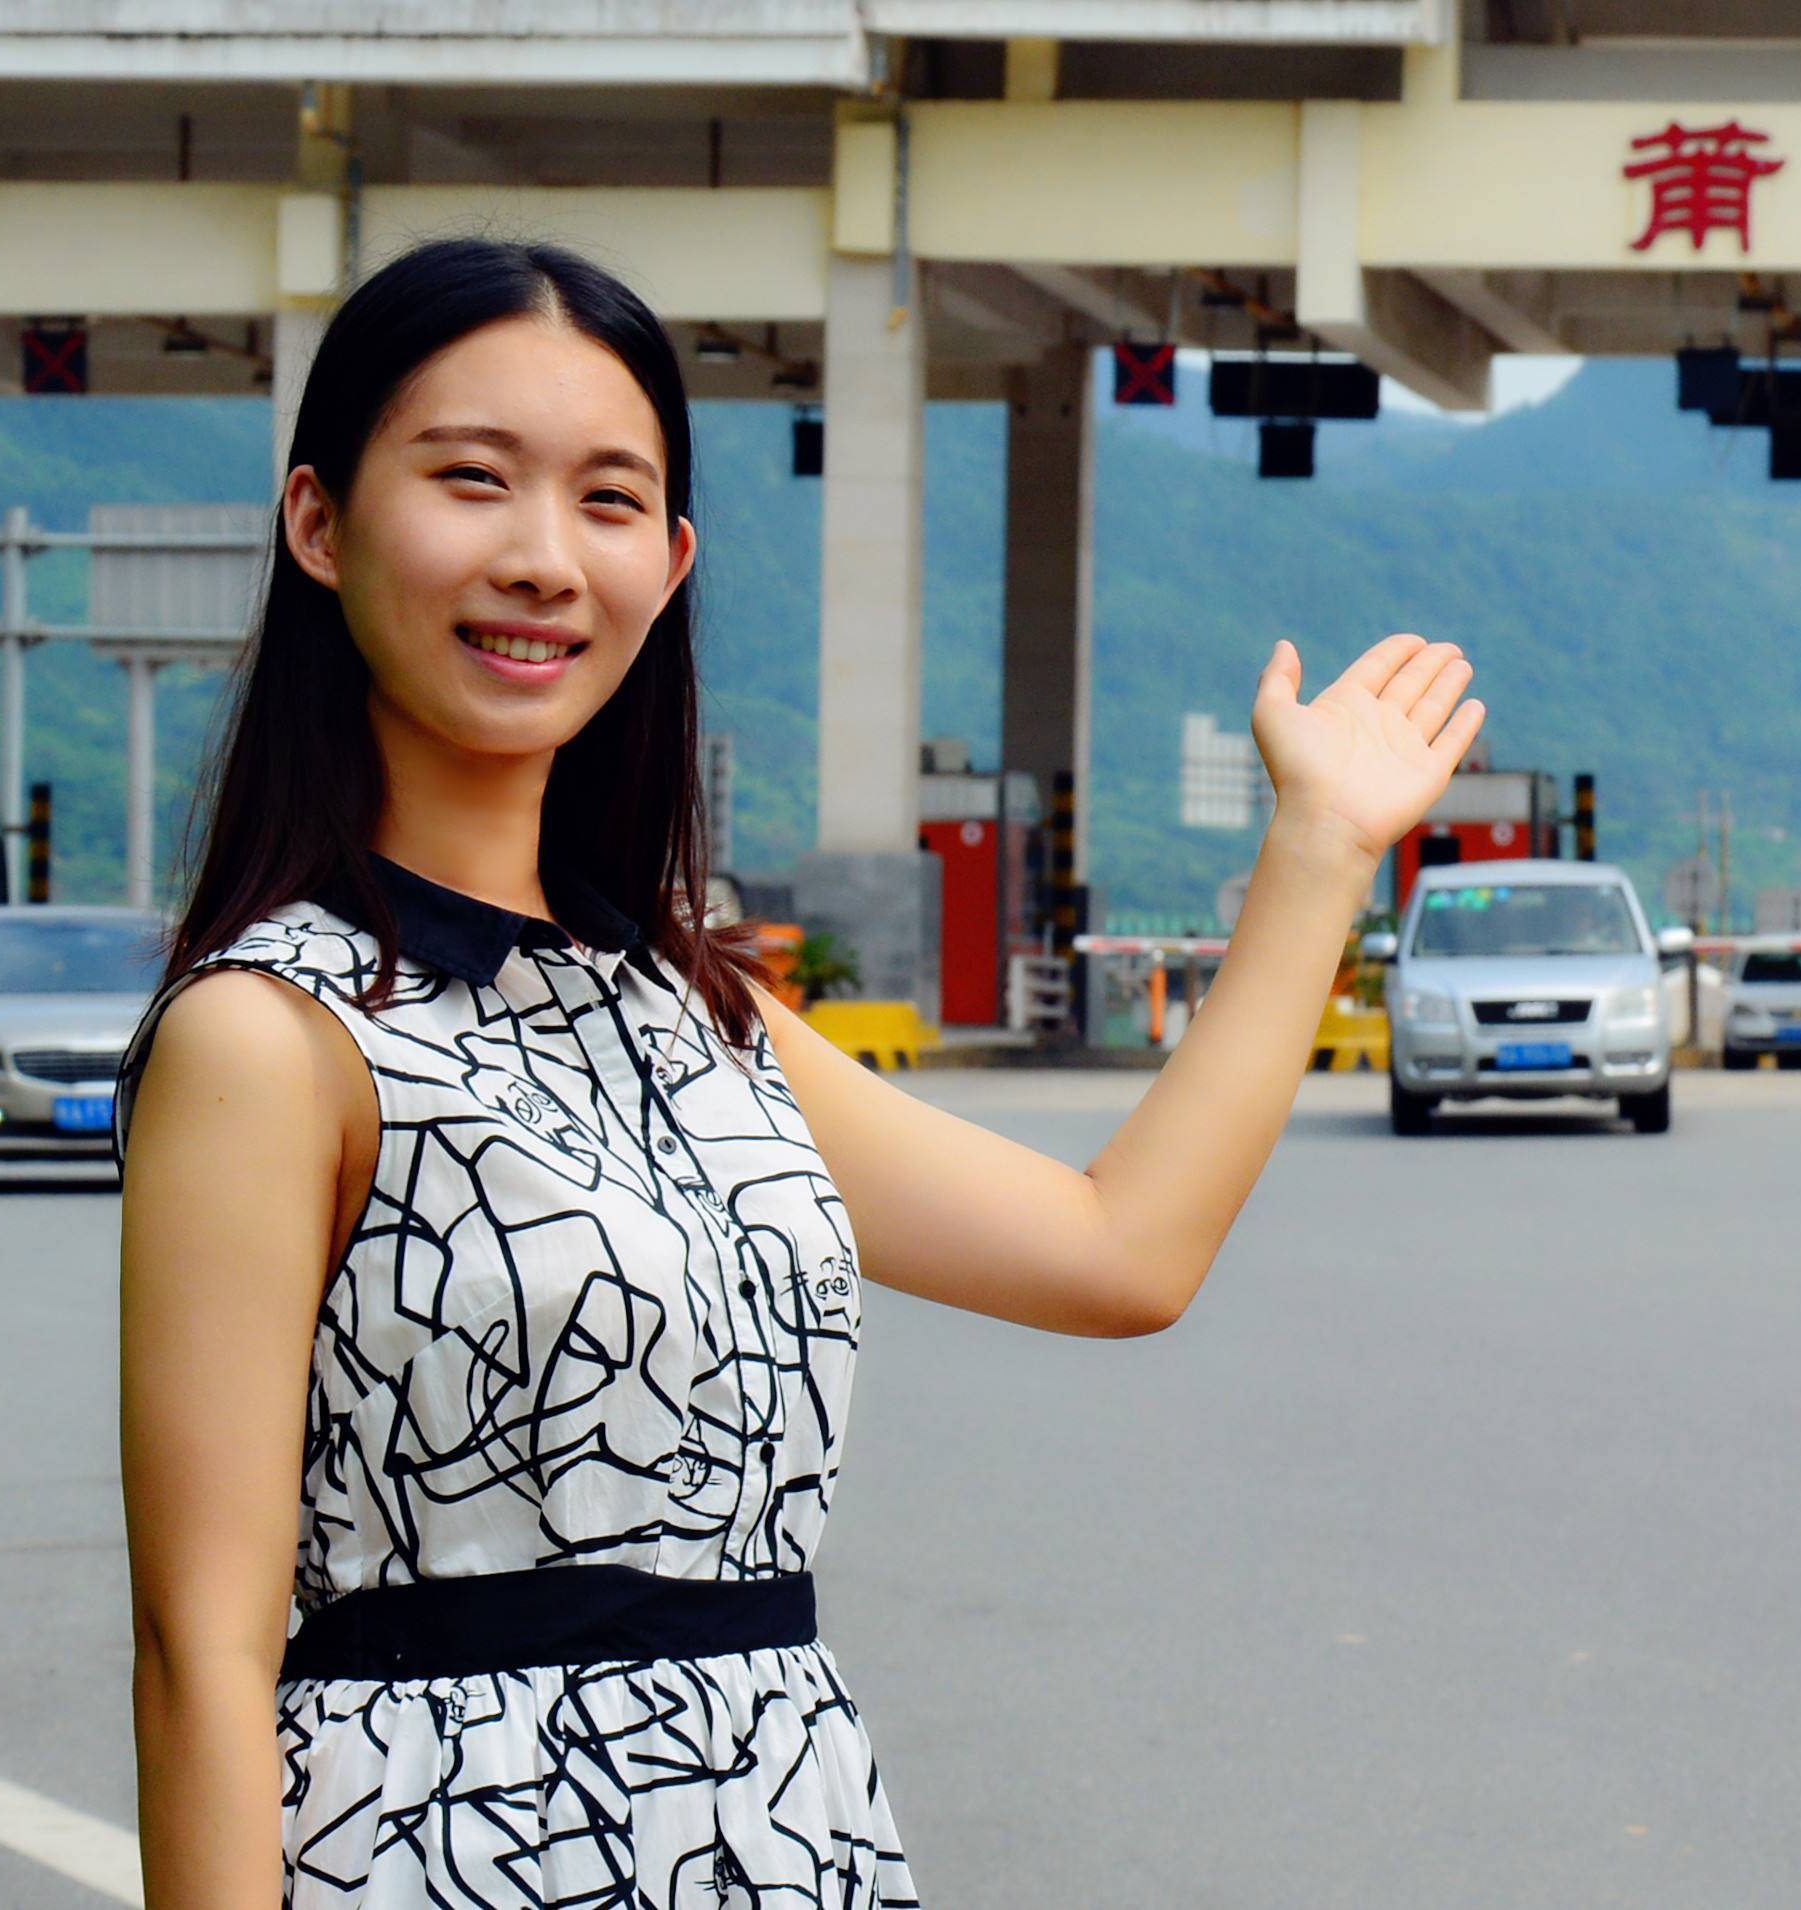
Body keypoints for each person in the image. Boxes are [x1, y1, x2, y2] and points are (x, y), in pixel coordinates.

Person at [117, 238, 1477, 1908]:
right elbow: (200, 1651)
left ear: (671, 559)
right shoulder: (273, 1034)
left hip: (782, 1837)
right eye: (472, 480)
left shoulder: (692, 1008)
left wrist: (1321, 851)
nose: (545, 557)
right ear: (319, 521)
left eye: (610, 502)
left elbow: (1122, 1250)